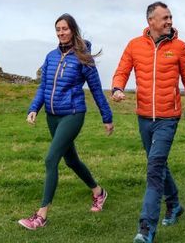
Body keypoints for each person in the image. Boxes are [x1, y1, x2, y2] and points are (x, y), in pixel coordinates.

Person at [111, 1, 185, 243]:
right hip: (144, 117)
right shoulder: (134, 45)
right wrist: (118, 88)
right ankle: (174, 205)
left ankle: (146, 228)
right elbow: (122, 70)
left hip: (168, 118)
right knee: (158, 165)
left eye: (171, 17)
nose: (170, 21)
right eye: (165, 18)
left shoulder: (180, 47)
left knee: (154, 169)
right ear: (151, 21)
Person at [18, 13, 114, 231]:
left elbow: (97, 89)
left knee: (51, 159)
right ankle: (99, 192)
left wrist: (106, 117)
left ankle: (41, 215)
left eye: (65, 28)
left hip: (73, 113)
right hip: (52, 116)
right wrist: (34, 108)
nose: (61, 33)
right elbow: (43, 87)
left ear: (73, 30)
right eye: (58, 29)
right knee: (71, 160)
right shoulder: (51, 56)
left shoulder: (83, 57)